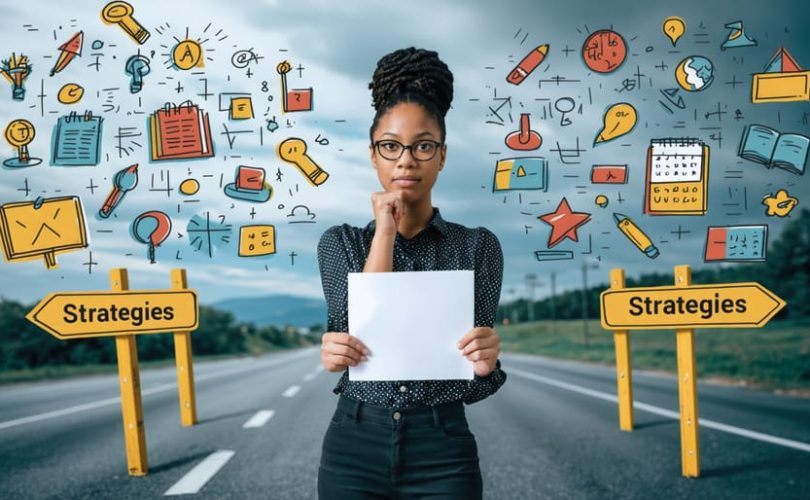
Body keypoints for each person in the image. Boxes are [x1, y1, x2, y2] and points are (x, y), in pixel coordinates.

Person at [316, 47, 506, 499]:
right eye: (391, 146)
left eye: (423, 146)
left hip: (442, 444)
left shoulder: (477, 245)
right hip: (354, 441)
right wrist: (385, 230)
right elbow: (352, 334)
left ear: (441, 156)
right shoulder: (342, 243)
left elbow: (476, 381)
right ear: (373, 155)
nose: (406, 160)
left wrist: (485, 365)